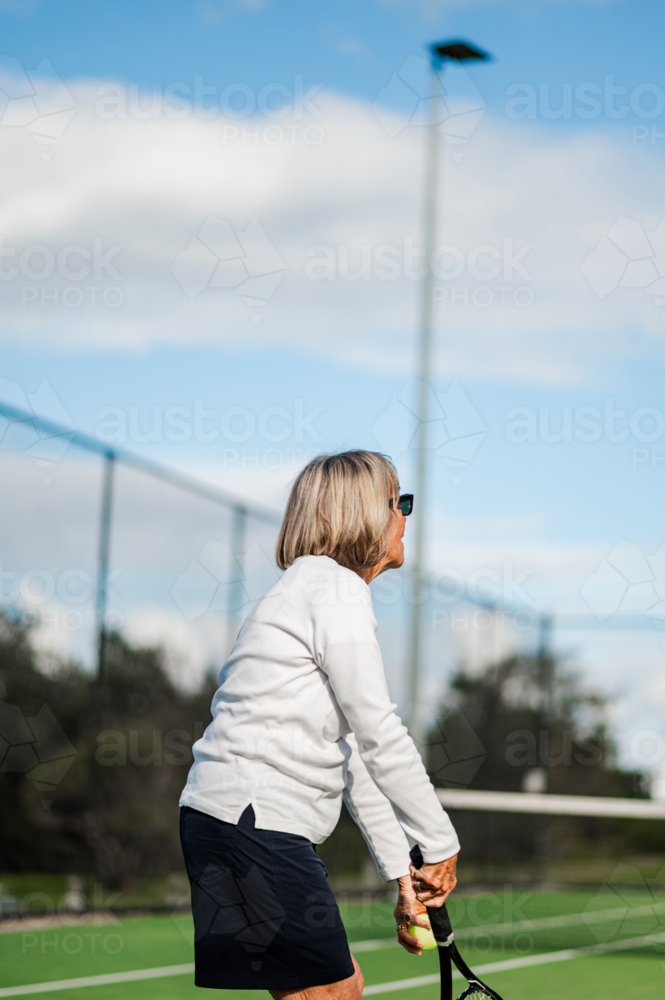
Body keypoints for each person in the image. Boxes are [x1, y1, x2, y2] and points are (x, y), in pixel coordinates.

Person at [179, 450, 460, 999]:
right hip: (251, 822)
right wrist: (441, 843)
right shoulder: (335, 591)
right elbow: (381, 733)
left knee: (342, 984)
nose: (407, 517)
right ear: (363, 514)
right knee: (332, 992)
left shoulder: (311, 590)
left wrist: (403, 874)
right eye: (399, 502)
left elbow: (354, 753)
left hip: (231, 821)